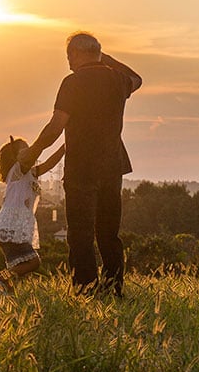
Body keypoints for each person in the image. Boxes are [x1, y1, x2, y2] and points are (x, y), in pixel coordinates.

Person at [18, 32, 142, 296]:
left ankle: (85, 289)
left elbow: (56, 126)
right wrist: (105, 58)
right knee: (109, 233)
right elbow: (137, 79)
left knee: (81, 234)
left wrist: (33, 152)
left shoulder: (73, 82)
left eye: (68, 57)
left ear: (76, 53)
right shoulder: (117, 80)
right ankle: (113, 289)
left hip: (82, 167)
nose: (68, 63)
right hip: (112, 166)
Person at [0, 136, 66, 294]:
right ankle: (0, 280)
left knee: (18, 266)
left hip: (13, 226)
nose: (30, 151)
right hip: (11, 226)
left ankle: (0, 286)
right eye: (26, 149)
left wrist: (65, 146)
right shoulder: (18, 170)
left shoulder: (30, 173)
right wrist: (41, 144)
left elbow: (49, 164)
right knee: (33, 262)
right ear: (16, 157)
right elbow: (34, 154)